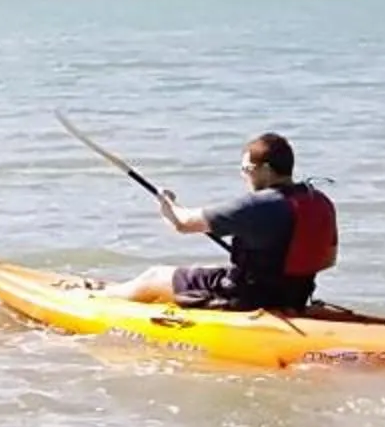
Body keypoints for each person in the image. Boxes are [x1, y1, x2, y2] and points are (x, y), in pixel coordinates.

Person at [107, 132, 338, 312]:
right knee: (206, 270)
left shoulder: (256, 206)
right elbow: (327, 260)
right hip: (295, 296)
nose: (244, 176)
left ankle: (101, 298)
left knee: (154, 275)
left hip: (248, 298)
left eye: (247, 169)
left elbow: (183, 223)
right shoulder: (319, 200)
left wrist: (166, 202)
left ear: (266, 170)